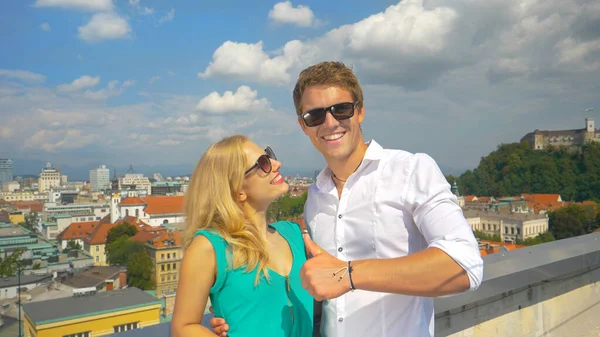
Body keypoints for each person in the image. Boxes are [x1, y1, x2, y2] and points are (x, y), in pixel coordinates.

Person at [210, 62, 484, 337]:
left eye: (341, 109)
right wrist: (239, 317)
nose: (330, 123)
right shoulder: (315, 199)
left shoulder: (411, 171)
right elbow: (320, 290)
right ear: (303, 126)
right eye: (314, 116)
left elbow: (465, 265)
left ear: (360, 111)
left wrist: (348, 275)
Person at [171, 135, 313, 337]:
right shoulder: (211, 247)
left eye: (269, 156)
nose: (277, 164)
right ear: (238, 191)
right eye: (263, 163)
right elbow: (182, 328)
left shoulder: (293, 233)